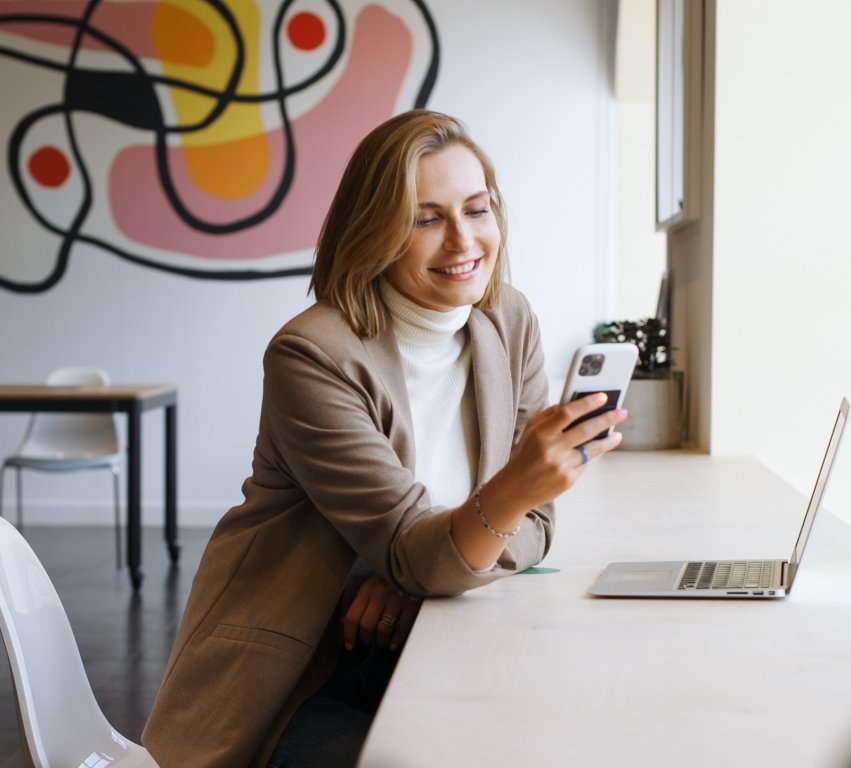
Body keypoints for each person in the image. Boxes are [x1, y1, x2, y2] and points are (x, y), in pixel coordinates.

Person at [142, 110, 626, 768]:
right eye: (426, 219)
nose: (464, 241)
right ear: (374, 231)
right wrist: (467, 531)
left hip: (427, 631)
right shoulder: (311, 355)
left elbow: (534, 525)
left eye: (477, 209)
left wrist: (425, 576)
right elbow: (442, 541)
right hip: (315, 664)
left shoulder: (507, 320)